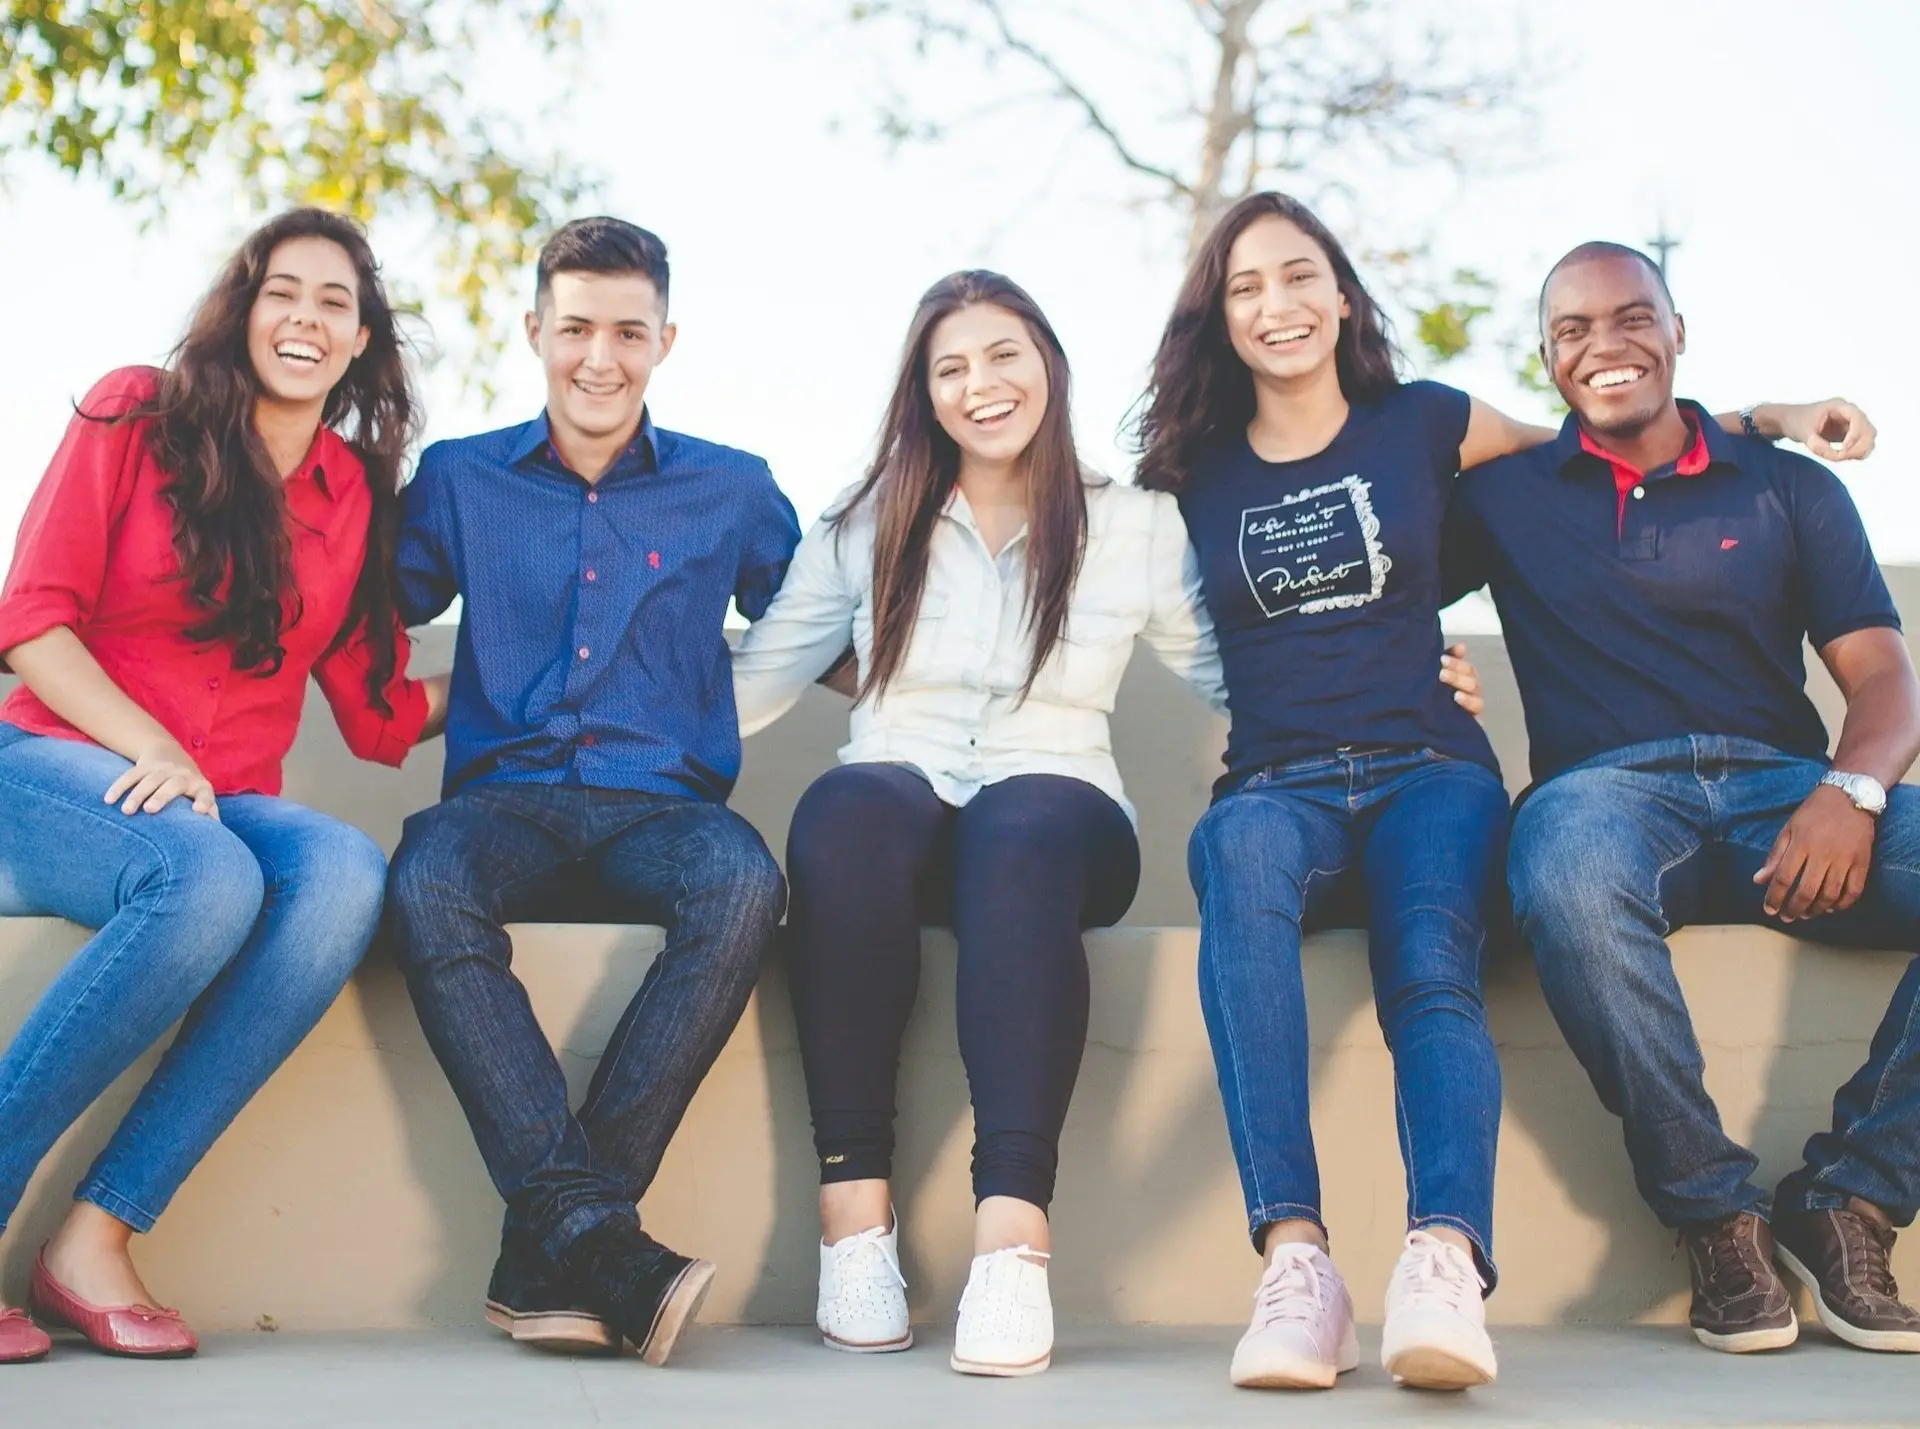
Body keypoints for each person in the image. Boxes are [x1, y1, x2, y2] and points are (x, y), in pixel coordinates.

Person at [1132, 191, 1870, 1392]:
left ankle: (1442, 1260)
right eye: (1248, 286)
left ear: (1343, 294)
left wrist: (1769, 417)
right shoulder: (1186, 475)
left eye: (1301, 275)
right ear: (1216, 316)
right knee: (1240, 871)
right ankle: (1297, 1263)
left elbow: (1606, 441)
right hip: (1276, 780)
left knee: (1430, 957)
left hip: (1432, 767)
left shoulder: (1426, 423)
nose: (1279, 304)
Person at [731, 270, 1485, 1377]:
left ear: (1048, 366)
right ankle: (855, 1225)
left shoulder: (1133, 525)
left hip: (1060, 810)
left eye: (1003, 356)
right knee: (843, 808)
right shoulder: (866, 519)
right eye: (950, 367)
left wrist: (1398, 678)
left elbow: (1247, 672)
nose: (980, 384)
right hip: (898, 798)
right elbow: (752, 683)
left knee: (1021, 827)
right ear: (922, 392)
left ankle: (1011, 1242)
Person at [1447, 240, 1918, 1357]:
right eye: (1572, 330)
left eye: (1630, 318)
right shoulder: (1505, 497)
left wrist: (1852, 791)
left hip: (1789, 797)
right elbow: (1384, 475)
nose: (1604, 346)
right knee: (1559, 868)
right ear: (1547, 359)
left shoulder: (1787, 484)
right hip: (1603, 800)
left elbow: (1885, 678)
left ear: (1677, 331)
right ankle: (1717, 1218)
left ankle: (1851, 1199)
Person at [0, 209, 444, 1364]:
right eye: (281, 291)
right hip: (53, 757)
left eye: (334, 301)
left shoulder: (353, 494)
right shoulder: (133, 410)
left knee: (344, 872)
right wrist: (149, 744)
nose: (305, 316)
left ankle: (94, 1235)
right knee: (203, 880)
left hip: (217, 800)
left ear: (360, 342)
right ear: (244, 310)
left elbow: (377, 707)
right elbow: (31, 624)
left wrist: (552, 674)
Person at [384, 216, 800, 1366]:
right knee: (423, 878)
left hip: (664, 809)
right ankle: (602, 1243)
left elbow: (836, 617)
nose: (599, 358)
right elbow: (359, 606)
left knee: (743, 883)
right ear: (535, 331)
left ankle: (558, 1246)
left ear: (667, 338)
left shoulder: (734, 488)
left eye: (628, 330)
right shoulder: (461, 477)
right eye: (575, 329)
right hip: (501, 803)